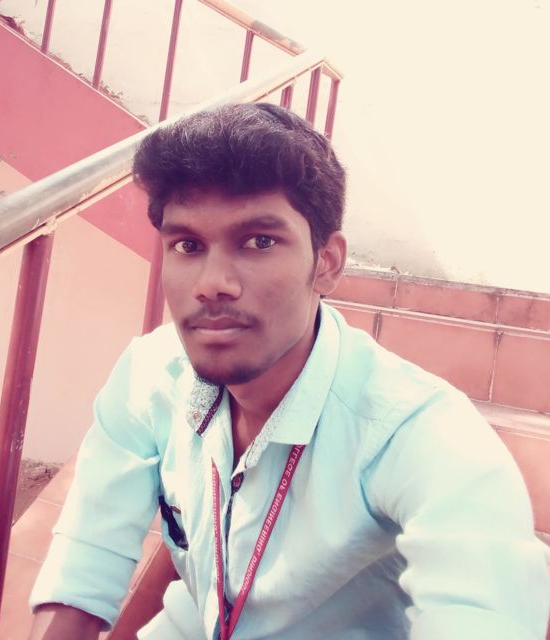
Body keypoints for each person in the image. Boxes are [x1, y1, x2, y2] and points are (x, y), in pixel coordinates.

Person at [28, 103, 549, 639]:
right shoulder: (151, 375)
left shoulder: (418, 434)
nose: (212, 283)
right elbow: (84, 566)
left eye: (259, 241)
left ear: (327, 262)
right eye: (188, 245)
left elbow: (483, 610)